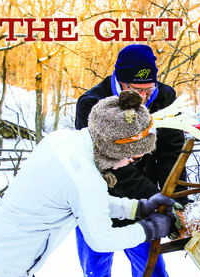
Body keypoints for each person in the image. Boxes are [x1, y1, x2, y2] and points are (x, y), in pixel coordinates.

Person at [0, 91, 178, 277]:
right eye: (133, 157)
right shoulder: (86, 179)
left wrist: (138, 208)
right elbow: (102, 240)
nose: (129, 163)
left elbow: (82, 198)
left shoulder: (60, 140)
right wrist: (148, 229)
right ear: (114, 149)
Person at [74, 44, 187, 277]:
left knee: (152, 271)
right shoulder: (92, 104)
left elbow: (172, 153)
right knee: (96, 271)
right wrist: (157, 199)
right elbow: (107, 165)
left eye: (149, 89)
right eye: (137, 90)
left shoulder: (164, 97)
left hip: (142, 201)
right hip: (98, 201)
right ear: (121, 82)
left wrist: (176, 201)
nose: (145, 97)